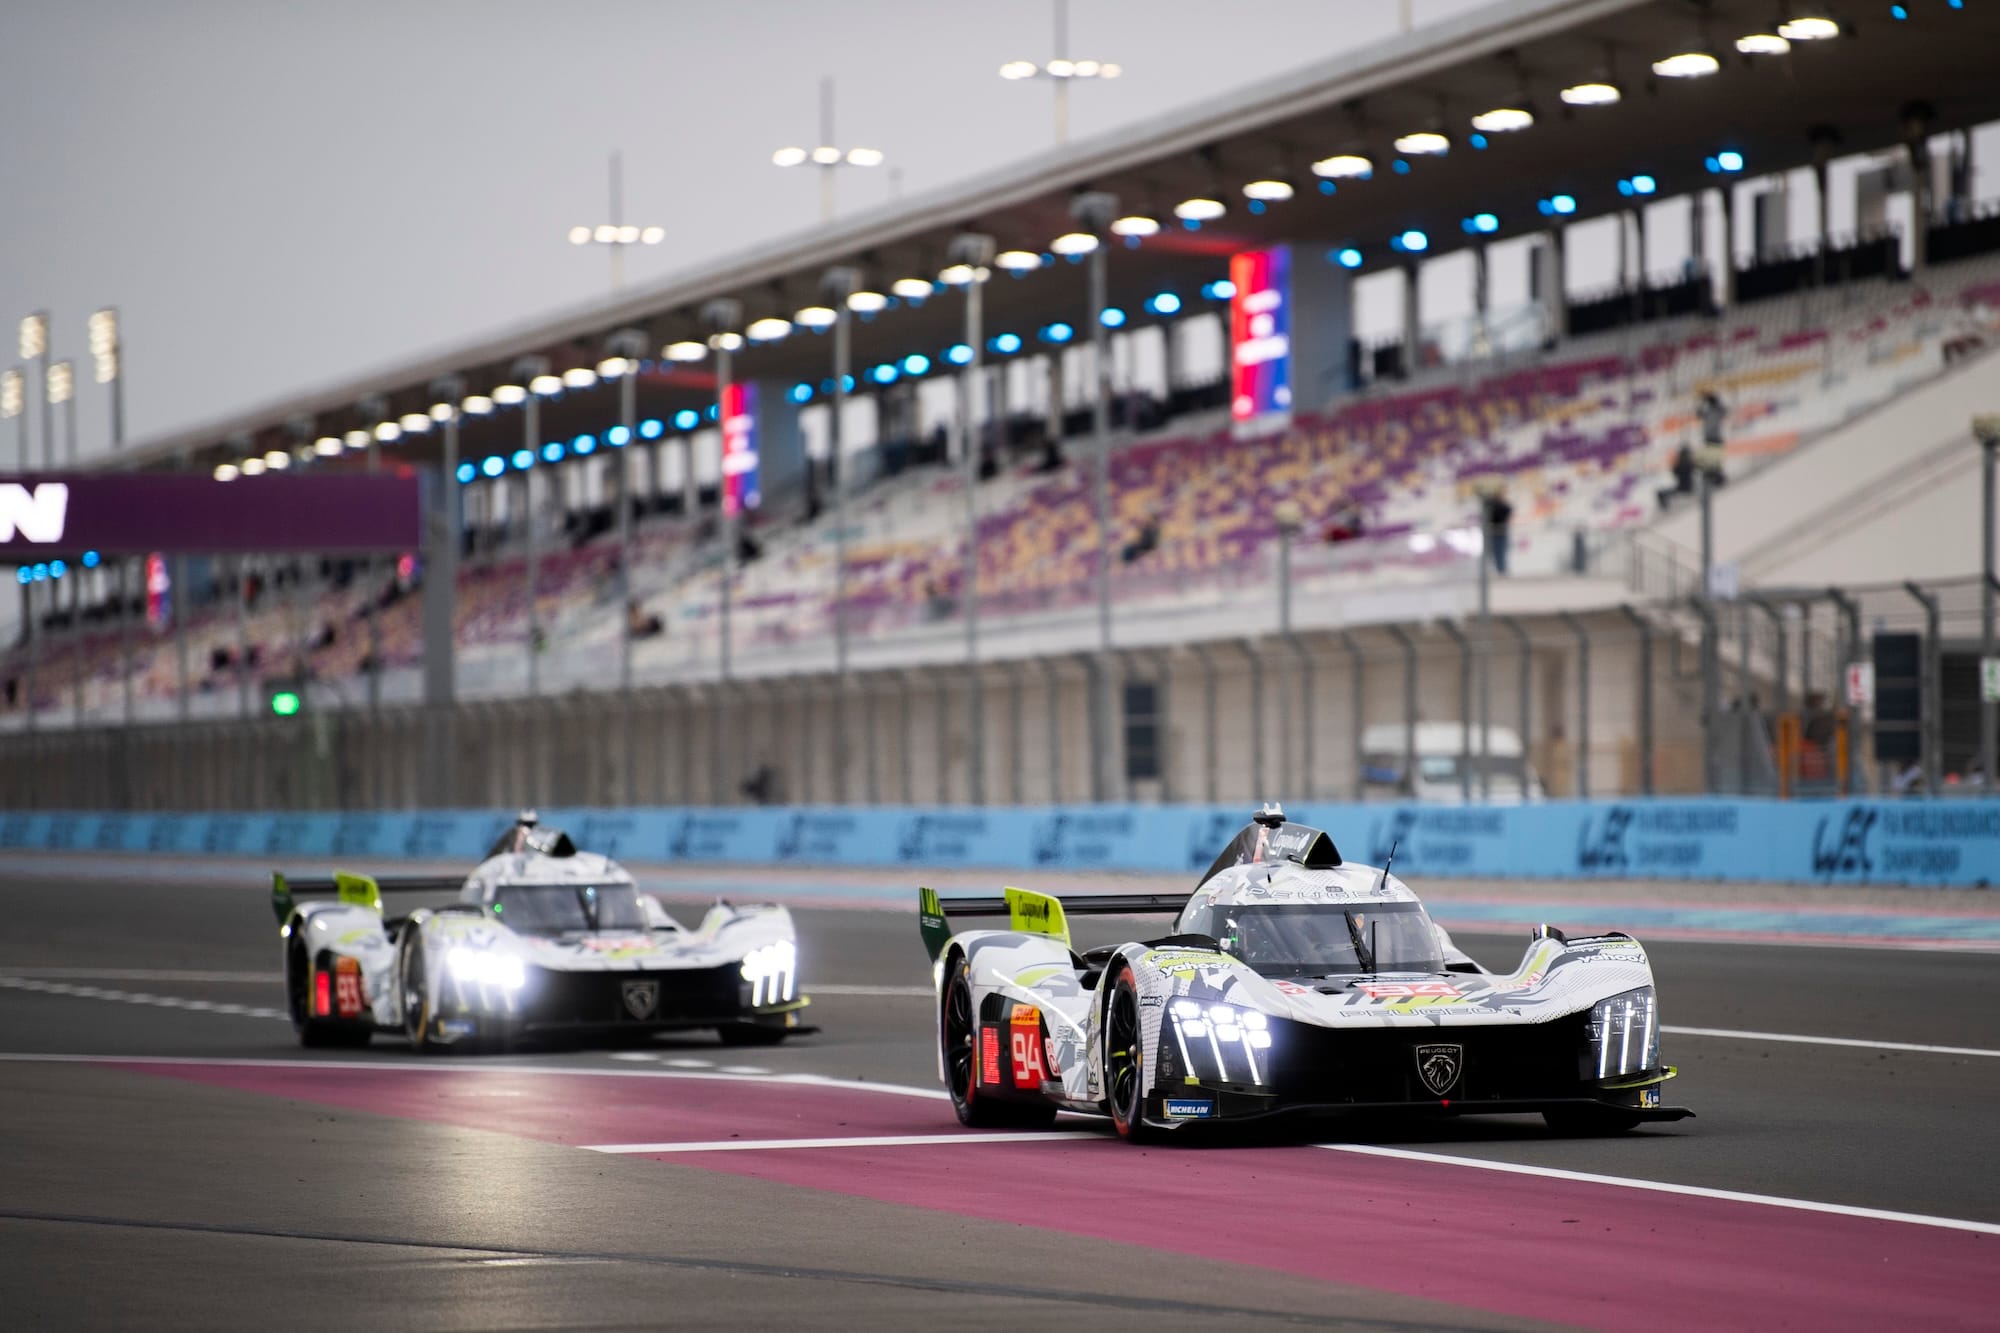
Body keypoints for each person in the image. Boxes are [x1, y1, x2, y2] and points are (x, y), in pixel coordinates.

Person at [1659, 442, 1697, 512]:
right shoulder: (1691, 464)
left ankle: (1665, 509)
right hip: (1689, 487)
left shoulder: (1679, 466)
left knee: (1661, 492)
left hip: (1682, 488)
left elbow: (1673, 472)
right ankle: (1666, 508)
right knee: (1663, 491)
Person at [1482, 491, 1513, 575]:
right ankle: (1498, 571)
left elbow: (1508, 511)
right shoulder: (1492, 506)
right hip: (1493, 533)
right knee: (1494, 554)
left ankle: (1501, 571)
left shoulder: (1501, 506)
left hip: (1500, 532)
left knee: (1500, 554)